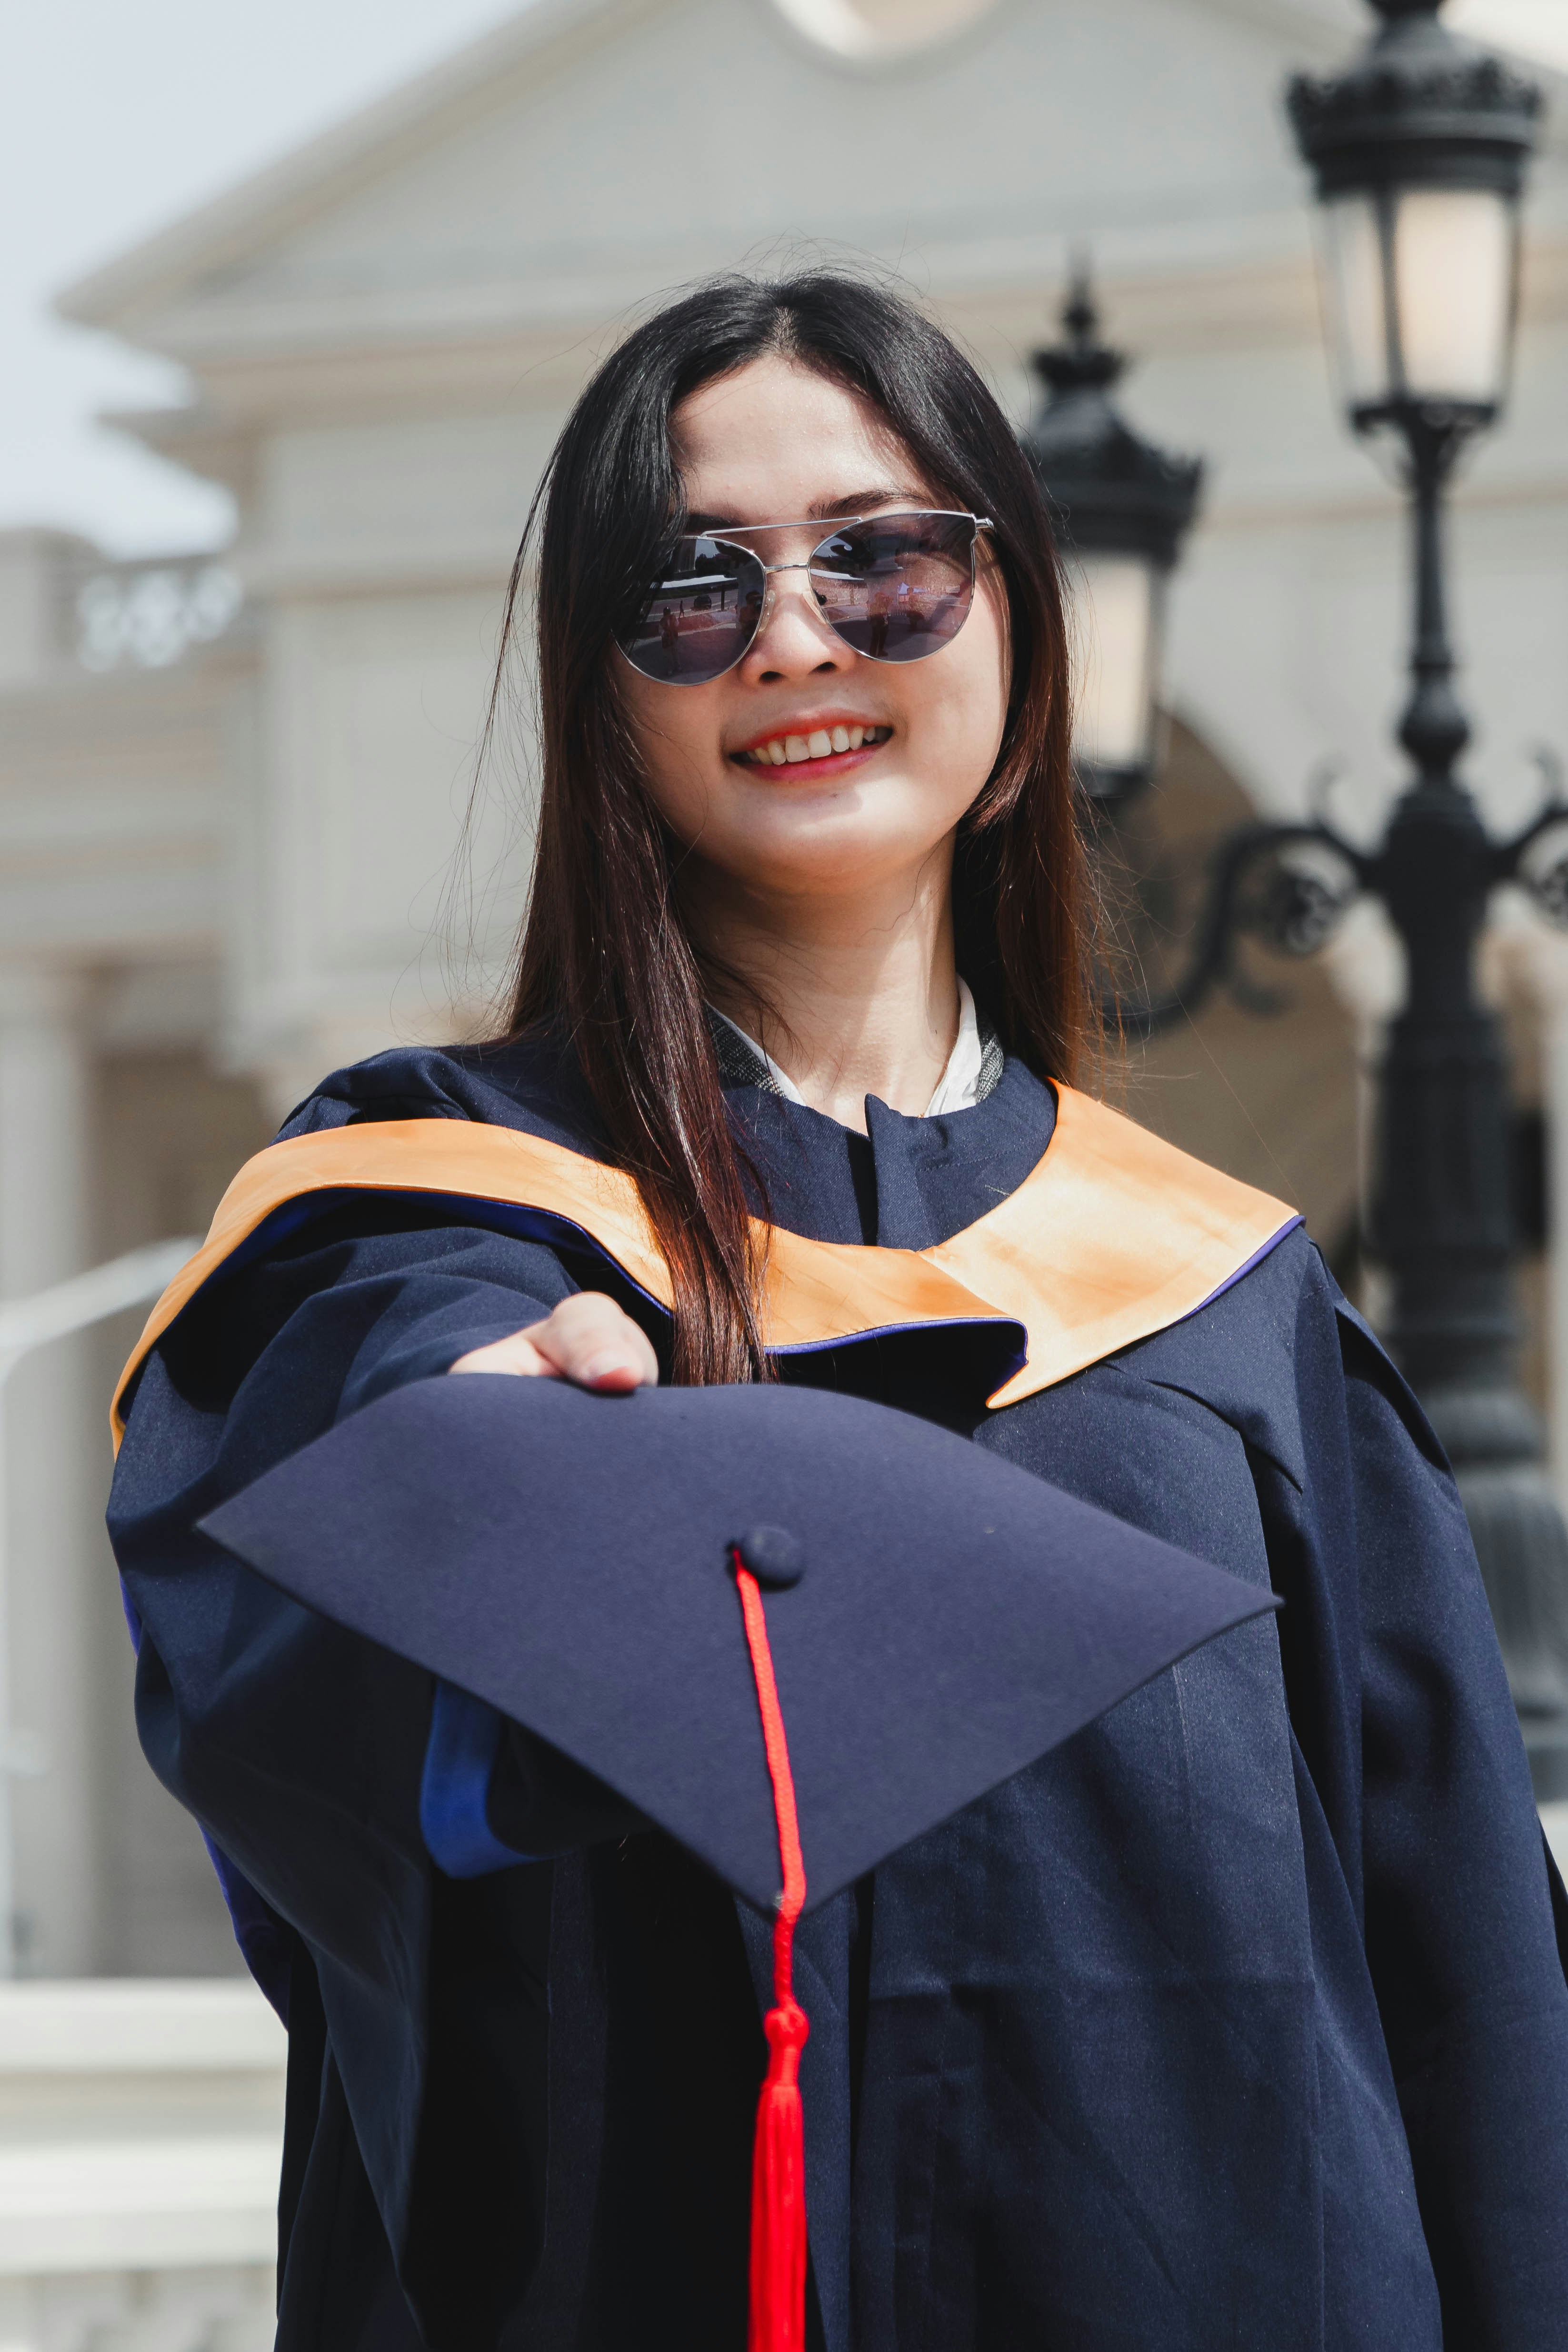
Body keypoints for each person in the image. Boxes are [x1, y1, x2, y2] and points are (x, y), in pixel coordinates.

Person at [108, 272, 1568, 2352]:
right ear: (604, 694)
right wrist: (459, 1487)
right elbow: (313, 1528)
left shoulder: (1226, 1301)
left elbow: (1470, 2002)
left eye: (882, 559)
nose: (792, 635)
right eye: (689, 589)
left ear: (1014, 622)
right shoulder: (442, 1217)